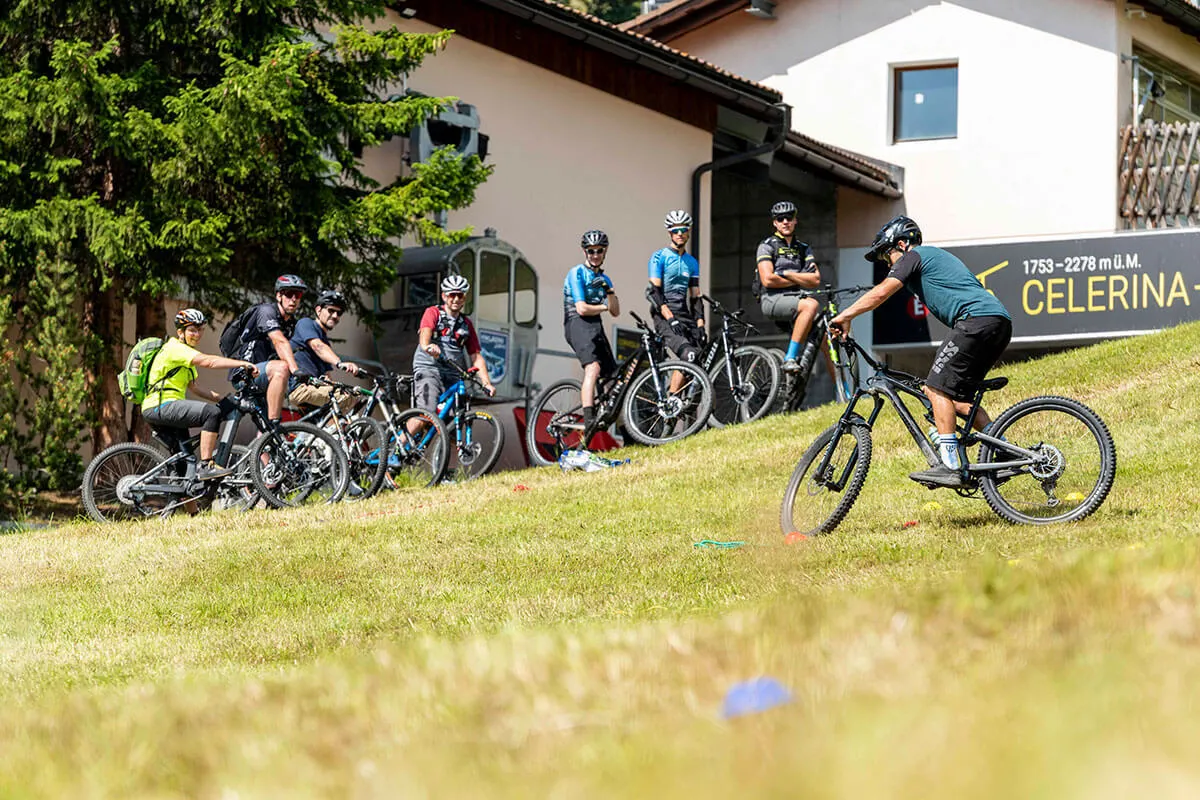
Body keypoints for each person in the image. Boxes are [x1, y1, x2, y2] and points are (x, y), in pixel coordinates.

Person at [830, 215, 1012, 489]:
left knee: (935, 389)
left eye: (886, 255)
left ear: (902, 244)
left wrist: (846, 315)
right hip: (998, 322)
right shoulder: (933, 259)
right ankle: (1005, 449)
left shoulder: (914, 256)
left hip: (975, 320)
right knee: (958, 402)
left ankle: (950, 465)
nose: (887, 263)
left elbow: (881, 293)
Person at [141, 309, 259, 479]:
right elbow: (209, 362)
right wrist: (242, 363)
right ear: (180, 332)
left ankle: (185, 500)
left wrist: (224, 399)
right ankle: (206, 465)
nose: (197, 334)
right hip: (161, 405)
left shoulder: (184, 353)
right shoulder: (176, 348)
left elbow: (195, 388)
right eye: (192, 330)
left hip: (164, 407)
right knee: (211, 413)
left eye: (200, 329)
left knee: (186, 462)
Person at [411, 274, 495, 420]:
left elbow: (476, 356)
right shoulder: (433, 312)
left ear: (464, 298)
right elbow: (425, 335)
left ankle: (448, 442)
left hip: (453, 374)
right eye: (452, 295)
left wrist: (486, 383)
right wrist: (428, 346)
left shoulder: (466, 324)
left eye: (460, 295)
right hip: (429, 369)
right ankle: (400, 443)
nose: (456, 299)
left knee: (453, 422)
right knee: (425, 414)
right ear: (444, 296)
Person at [227, 274, 306, 427]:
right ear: (278, 295)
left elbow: (290, 351)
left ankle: (268, 440)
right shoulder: (266, 311)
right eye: (289, 294)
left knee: (272, 444)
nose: (294, 299)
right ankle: (274, 426)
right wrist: (295, 370)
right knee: (283, 367)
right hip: (244, 373)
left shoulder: (290, 324)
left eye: (298, 295)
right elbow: (279, 341)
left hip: (264, 378)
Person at [755, 200, 823, 373]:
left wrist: (788, 274)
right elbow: (768, 280)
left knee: (824, 335)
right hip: (772, 299)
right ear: (775, 223)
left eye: (789, 217)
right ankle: (790, 358)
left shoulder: (803, 248)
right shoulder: (767, 246)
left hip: (796, 298)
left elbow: (815, 280)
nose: (785, 221)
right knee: (811, 304)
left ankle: (844, 390)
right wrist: (801, 278)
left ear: (795, 220)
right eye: (780, 218)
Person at [563, 229, 620, 428]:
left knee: (615, 380)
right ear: (585, 252)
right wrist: (605, 306)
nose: (595, 255)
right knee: (593, 367)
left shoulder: (605, 279)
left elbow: (616, 312)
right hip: (576, 322)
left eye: (599, 251)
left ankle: (625, 432)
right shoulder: (576, 272)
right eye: (591, 251)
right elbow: (582, 308)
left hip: (596, 325)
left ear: (605, 252)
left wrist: (609, 290)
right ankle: (589, 419)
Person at [287, 289, 362, 411]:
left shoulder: (325, 342)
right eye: (331, 310)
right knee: (345, 398)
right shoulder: (306, 324)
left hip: (317, 389)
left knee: (352, 395)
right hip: (302, 389)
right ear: (318, 310)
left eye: (339, 313)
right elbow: (318, 346)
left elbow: (327, 377)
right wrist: (340, 363)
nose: (335, 316)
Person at [646, 210, 704, 364]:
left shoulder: (692, 262)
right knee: (688, 354)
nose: (680, 233)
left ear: (688, 231)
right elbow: (654, 292)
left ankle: (677, 389)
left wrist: (700, 325)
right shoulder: (659, 257)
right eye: (675, 230)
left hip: (684, 313)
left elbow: (695, 297)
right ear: (670, 232)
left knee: (701, 358)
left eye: (683, 230)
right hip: (664, 315)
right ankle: (672, 390)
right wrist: (670, 318)